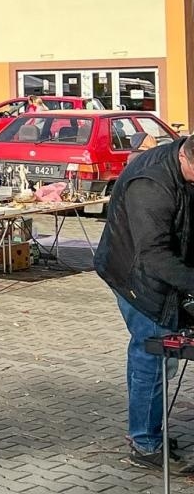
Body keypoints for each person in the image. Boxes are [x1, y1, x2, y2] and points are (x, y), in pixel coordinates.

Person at [93, 136, 194, 472]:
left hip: (156, 265)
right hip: (136, 275)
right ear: (185, 157)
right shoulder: (150, 185)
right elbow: (153, 256)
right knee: (154, 355)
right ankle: (145, 444)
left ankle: (147, 430)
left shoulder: (183, 166)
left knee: (146, 354)